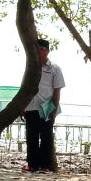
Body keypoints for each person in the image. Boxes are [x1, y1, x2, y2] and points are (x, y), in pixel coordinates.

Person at [23, 38, 64, 173]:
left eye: (42, 49)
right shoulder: (30, 67)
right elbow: (24, 87)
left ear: (47, 51)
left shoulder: (55, 69)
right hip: (30, 107)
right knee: (31, 137)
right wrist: (22, 107)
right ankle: (32, 164)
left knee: (46, 137)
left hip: (46, 107)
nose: (40, 52)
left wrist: (53, 108)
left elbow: (57, 90)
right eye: (37, 49)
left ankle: (45, 165)